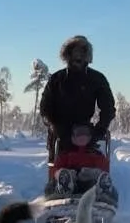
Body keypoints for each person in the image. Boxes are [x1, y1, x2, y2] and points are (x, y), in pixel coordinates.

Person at [39, 35, 115, 163]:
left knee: (93, 163)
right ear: (68, 54)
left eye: (82, 52)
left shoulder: (97, 79)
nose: (78, 56)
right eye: (74, 51)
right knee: (58, 166)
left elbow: (108, 107)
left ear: (87, 55)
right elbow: (45, 108)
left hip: (86, 132)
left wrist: (99, 130)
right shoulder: (56, 79)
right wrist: (55, 127)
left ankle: (95, 178)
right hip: (60, 132)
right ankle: (59, 180)